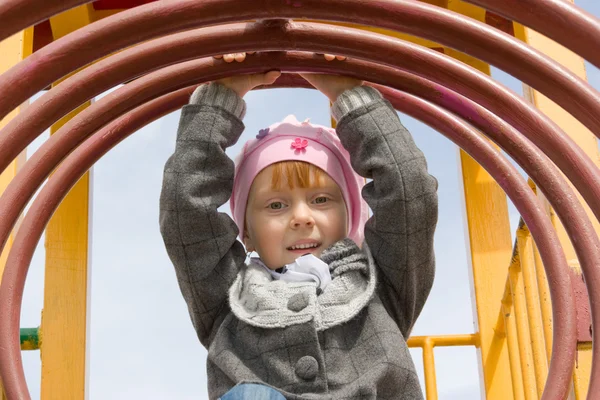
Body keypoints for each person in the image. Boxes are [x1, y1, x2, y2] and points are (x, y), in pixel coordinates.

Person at [159, 52, 438, 399]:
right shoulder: (228, 295)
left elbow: (410, 192)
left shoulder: (380, 284)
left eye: (321, 200)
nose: (301, 217)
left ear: (350, 216)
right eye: (276, 205)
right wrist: (222, 98)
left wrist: (347, 95)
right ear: (245, 232)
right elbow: (186, 214)